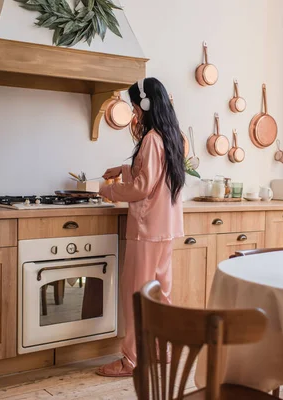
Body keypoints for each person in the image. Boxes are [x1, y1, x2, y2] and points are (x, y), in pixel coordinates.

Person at [96, 77, 185, 377]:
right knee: (160, 294)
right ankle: (163, 350)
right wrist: (123, 169)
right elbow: (157, 176)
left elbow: (142, 188)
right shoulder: (172, 136)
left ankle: (131, 360)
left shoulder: (149, 139)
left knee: (137, 295)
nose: (134, 112)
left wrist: (108, 190)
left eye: (134, 106)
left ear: (144, 105)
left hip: (147, 231)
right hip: (167, 229)